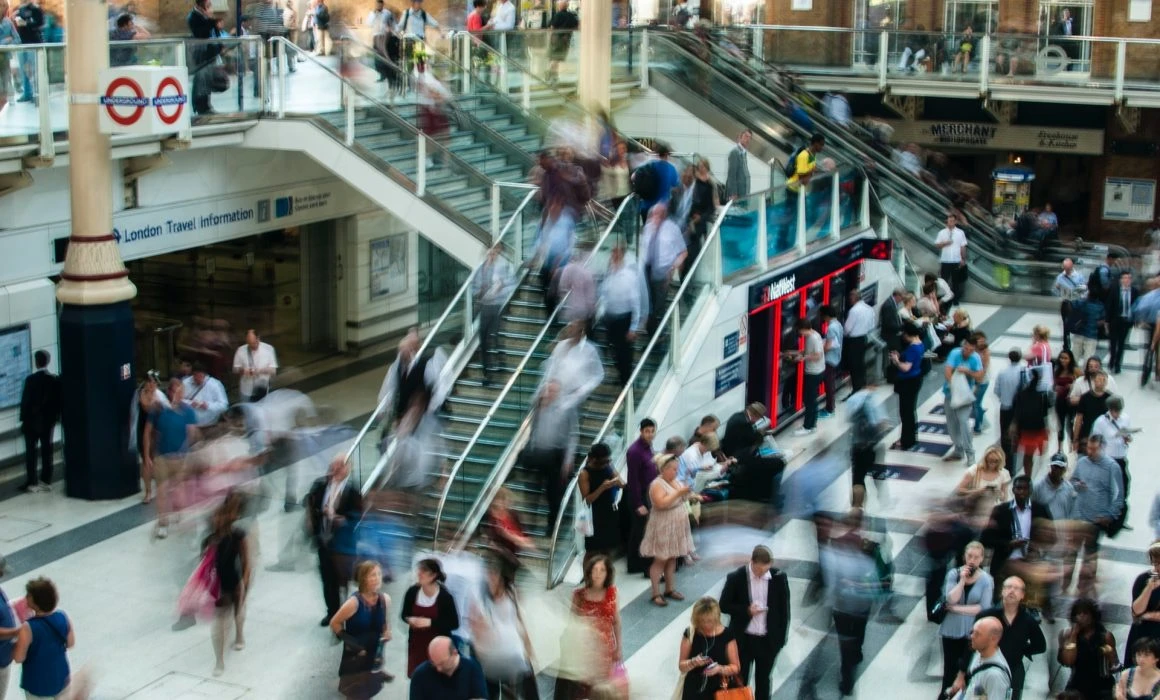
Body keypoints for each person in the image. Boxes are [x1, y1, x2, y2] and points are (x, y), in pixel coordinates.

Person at [719, 546, 789, 700]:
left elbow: (784, 612)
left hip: (767, 641)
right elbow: (723, 605)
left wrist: (780, 641)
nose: (762, 574)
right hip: (743, 640)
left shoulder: (779, 578)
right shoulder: (736, 578)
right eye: (758, 570)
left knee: (763, 681)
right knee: (739, 680)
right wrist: (746, 610)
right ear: (752, 562)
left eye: (765, 570)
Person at [306, 454, 364, 626]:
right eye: (334, 465)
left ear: (348, 468)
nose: (336, 469)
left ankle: (344, 614)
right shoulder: (320, 485)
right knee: (326, 579)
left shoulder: (353, 492)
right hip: (323, 541)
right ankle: (331, 612)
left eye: (341, 465)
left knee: (343, 581)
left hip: (343, 546)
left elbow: (357, 519)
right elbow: (310, 504)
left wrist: (339, 519)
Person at [555, 555, 623, 700]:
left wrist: (619, 647)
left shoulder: (612, 593)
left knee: (601, 691)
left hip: (604, 651)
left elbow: (616, 621)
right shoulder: (579, 595)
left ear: (608, 574)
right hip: (583, 651)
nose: (598, 574)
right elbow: (571, 623)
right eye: (595, 570)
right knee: (580, 690)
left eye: (602, 570)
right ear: (589, 573)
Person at [470, 556, 537, 699]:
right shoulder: (480, 598)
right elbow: (475, 627)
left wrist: (528, 649)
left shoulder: (512, 593)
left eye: (494, 575)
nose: (491, 579)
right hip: (490, 657)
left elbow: (522, 621)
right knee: (491, 692)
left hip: (513, 653)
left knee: (521, 691)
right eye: (488, 575)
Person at [144, 377, 199, 539]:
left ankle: (179, 513)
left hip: (181, 458)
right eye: (177, 391)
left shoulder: (188, 411)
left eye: (182, 391)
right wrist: (147, 456)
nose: (180, 394)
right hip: (162, 457)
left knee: (180, 492)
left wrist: (191, 453)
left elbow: (192, 434)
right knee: (161, 491)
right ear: (170, 392)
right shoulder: (158, 410)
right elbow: (147, 432)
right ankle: (162, 523)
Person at [938, 541, 994, 700]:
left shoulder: (986, 580)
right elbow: (951, 598)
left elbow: (982, 608)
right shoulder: (953, 574)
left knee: (967, 671)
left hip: (972, 632)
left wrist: (955, 609)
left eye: (976, 557)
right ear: (964, 556)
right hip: (951, 629)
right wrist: (962, 581)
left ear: (981, 559)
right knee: (949, 671)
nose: (972, 560)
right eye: (969, 556)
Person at [1071, 434, 1125, 597]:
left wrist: (1110, 515)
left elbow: (1119, 495)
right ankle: (1066, 581)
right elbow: (1072, 480)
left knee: (1089, 554)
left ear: (1102, 448)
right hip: (1078, 516)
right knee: (1071, 552)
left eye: (1093, 449)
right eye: (1088, 447)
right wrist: (1076, 484)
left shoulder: (1112, 467)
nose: (1089, 451)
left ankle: (1084, 587)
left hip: (1096, 520)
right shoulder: (1081, 463)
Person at [205, 491, 251, 677]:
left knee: (238, 612)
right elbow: (204, 566)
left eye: (219, 516)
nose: (217, 520)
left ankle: (240, 633)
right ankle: (219, 660)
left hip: (234, 580)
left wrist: (245, 582)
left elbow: (246, 562)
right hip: (218, 586)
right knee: (219, 622)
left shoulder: (238, 535)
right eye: (214, 518)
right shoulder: (209, 540)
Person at [640, 453, 695, 607]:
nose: (676, 472)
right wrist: (679, 493)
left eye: (677, 469)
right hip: (663, 524)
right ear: (663, 469)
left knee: (672, 557)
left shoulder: (675, 481)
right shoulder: (656, 484)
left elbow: (681, 496)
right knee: (661, 559)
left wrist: (690, 495)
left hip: (676, 523)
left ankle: (670, 589)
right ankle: (655, 592)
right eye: (673, 469)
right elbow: (660, 504)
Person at [331, 561, 392, 697]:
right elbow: (334, 623)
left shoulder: (385, 600)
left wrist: (387, 631)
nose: (377, 578)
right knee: (355, 695)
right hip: (355, 661)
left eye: (379, 574)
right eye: (372, 575)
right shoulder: (353, 603)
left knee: (369, 693)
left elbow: (385, 624)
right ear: (363, 579)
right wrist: (351, 643)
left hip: (374, 659)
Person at [981, 476, 1053, 587]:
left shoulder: (1040, 510)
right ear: (1013, 490)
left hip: (1032, 564)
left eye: (1025, 489)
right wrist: (1008, 543)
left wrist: (1036, 546)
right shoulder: (1001, 510)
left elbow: (1052, 536)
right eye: (1019, 488)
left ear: (1031, 490)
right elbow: (985, 539)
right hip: (1005, 564)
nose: (1022, 492)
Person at [13, 577, 73, 699]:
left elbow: (19, 657)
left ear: (35, 602)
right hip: (60, 676)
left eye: (28, 595)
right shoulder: (62, 616)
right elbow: (70, 643)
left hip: (37, 682)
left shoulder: (28, 627)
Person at [401, 559, 459, 678]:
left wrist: (430, 622)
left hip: (438, 649)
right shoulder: (412, 592)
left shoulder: (445, 597)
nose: (419, 573)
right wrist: (409, 620)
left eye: (424, 571)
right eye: (419, 570)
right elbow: (404, 614)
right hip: (416, 645)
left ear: (433, 575)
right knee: (417, 678)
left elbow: (454, 623)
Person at [599, 244, 646, 388]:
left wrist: (633, 327)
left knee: (624, 353)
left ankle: (627, 381)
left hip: (624, 319)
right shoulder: (610, 274)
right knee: (613, 350)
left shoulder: (629, 276)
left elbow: (635, 303)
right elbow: (604, 293)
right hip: (610, 318)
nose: (613, 257)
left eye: (616, 254)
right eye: (612, 254)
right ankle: (621, 376)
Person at [676, 597, 740, 700]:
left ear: (716, 618)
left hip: (720, 688)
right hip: (693, 689)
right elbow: (681, 666)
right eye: (702, 621)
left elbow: (735, 667)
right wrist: (693, 662)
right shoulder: (690, 633)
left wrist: (719, 668)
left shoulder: (727, 635)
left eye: (709, 621)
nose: (706, 624)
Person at [640, 203, 688, 337]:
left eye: (659, 214)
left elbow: (683, 252)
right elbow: (643, 248)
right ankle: (652, 333)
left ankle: (658, 335)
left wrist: (673, 268)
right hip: (647, 269)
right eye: (654, 214)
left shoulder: (672, 229)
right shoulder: (648, 228)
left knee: (658, 306)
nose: (655, 218)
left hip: (663, 272)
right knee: (648, 305)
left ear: (664, 215)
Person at [18, 349, 60, 494]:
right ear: (47, 362)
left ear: (36, 362)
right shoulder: (53, 380)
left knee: (31, 453)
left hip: (31, 423)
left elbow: (25, 403)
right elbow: (56, 402)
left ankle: (32, 481)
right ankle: (46, 480)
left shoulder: (30, 380)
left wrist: (23, 419)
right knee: (47, 450)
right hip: (48, 423)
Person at [1059, 598, 1118, 699]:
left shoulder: (1105, 636)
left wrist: (1109, 653)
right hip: (1077, 684)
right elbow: (1068, 661)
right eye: (1078, 614)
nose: (1081, 617)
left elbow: (1114, 664)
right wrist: (1074, 635)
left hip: (1102, 686)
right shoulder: (1067, 635)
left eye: (1085, 613)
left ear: (1093, 615)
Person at [473, 243, 513, 386]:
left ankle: (501, 360)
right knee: (484, 340)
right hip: (485, 307)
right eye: (490, 253)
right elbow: (474, 287)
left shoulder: (501, 267)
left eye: (494, 253)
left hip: (497, 307)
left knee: (494, 336)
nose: (491, 255)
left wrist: (500, 287)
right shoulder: (480, 269)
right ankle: (487, 374)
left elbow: (510, 283)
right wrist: (479, 292)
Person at [942, 337, 985, 466]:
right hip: (950, 393)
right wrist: (953, 386)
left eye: (970, 350)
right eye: (966, 348)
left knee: (964, 422)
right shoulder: (955, 353)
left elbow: (980, 376)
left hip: (965, 396)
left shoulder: (975, 358)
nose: (967, 352)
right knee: (951, 423)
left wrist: (967, 371)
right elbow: (948, 371)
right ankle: (958, 449)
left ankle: (969, 452)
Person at [624, 418, 657, 575]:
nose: (650, 434)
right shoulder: (635, 451)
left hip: (648, 494)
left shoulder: (648, 447)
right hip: (639, 496)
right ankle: (635, 564)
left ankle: (641, 563)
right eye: (647, 431)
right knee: (638, 532)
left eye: (652, 431)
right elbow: (633, 479)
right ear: (641, 431)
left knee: (644, 531)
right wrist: (638, 503)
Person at [579, 443, 622, 558]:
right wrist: (602, 488)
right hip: (593, 515)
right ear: (594, 459)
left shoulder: (608, 467)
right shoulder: (585, 473)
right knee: (591, 551)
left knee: (607, 549)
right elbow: (587, 500)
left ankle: (605, 573)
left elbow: (622, 483)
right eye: (604, 461)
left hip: (608, 512)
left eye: (608, 460)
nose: (606, 463)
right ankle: (588, 575)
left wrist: (614, 476)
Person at [408, 636, 487, 700]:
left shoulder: (472, 666)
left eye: (442, 663)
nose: (438, 668)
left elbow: (481, 697)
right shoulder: (420, 675)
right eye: (433, 663)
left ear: (454, 653)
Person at [953, 617, 1013, 700]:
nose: (972, 636)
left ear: (993, 639)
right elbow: (979, 690)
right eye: (972, 632)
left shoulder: (995, 676)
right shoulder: (978, 654)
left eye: (977, 634)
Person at [956, 446, 1012, 529]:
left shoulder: (1004, 474)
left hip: (992, 511)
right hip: (974, 509)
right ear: (985, 459)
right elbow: (959, 490)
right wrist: (977, 492)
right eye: (989, 460)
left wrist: (998, 493)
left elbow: (1004, 498)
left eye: (995, 461)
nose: (992, 463)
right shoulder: (975, 470)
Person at [889, 323, 926, 450]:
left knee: (906, 412)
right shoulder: (920, 344)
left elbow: (906, 367)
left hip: (908, 382)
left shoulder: (913, 349)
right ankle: (909, 437)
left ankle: (907, 440)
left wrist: (896, 361)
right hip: (915, 380)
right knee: (910, 411)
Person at [1010, 367, 1051, 477]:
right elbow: (1046, 413)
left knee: (1029, 456)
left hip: (1028, 429)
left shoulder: (1021, 394)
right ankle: (1032, 477)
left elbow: (1017, 413)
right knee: (1038, 455)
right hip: (1035, 429)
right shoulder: (1042, 394)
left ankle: (1029, 477)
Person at [1124, 543, 1160, 666]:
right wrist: (1149, 588)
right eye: (1155, 563)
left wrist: (1149, 616)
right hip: (1142, 632)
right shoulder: (1143, 579)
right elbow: (1137, 611)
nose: (1157, 568)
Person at [789, 318, 825, 437]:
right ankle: (812, 425)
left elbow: (817, 355)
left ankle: (807, 427)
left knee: (809, 401)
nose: (799, 334)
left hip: (813, 373)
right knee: (812, 401)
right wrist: (795, 353)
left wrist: (803, 358)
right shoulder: (814, 335)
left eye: (799, 331)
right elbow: (808, 351)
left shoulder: (813, 338)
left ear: (803, 329)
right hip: (817, 371)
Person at [994, 348, 1027, 472]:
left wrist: (1004, 397)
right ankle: (1015, 457)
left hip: (1005, 407)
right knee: (1017, 434)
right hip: (1020, 409)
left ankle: (1008, 465)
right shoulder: (1024, 371)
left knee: (1005, 436)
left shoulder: (1002, 372)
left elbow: (996, 390)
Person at [843, 289, 876, 396]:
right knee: (861, 363)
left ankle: (856, 388)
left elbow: (847, 329)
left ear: (855, 297)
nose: (849, 300)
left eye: (851, 298)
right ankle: (862, 384)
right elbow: (872, 325)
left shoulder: (854, 311)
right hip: (864, 338)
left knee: (854, 365)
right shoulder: (869, 309)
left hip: (853, 341)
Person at [232, 329, 278, 402]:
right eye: (250, 343)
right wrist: (244, 371)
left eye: (254, 343)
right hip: (246, 389)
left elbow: (274, 370)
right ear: (246, 341)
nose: (252, 346)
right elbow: (235, 369)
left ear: (258, 338)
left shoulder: (268, 349)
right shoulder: (241, 350)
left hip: (262, 388)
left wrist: (260, 371)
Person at [1108, 271, 1139, 375]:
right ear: (1121, 280)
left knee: (1121, 344)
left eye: (1129, 278)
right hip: (1115, 320)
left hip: (1126, 321)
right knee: (1113, 343)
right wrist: (1107, 321)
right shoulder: (1114, 290)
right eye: (1125, 278)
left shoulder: (1134, 291)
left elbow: (1136, 306)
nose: (1127, 280)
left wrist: (1135, 320)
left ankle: (1118, 364)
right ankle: (1112, 361)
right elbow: (1109, 305)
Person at [1073, 370, 1112, 449]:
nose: (1102, 382)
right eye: (1099, 379)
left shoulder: (1110, 398)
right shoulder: (1085, 397)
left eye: (1104, 380)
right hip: (1086, 434)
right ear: (1094, 380)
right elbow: (1079, 419)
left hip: (1103, 436)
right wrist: (1075, 439)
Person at [935, 213, 968, 307]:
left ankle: (955, 300)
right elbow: (937, 245)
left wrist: (963, 258)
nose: (951, 222)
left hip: (956, 260)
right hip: (945, 260)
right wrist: (945, 243)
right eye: (949, 221)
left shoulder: (960, 232)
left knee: (955, 281)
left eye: (953, 221)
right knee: (943, 281)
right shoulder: (942, 232)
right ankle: (944, 299)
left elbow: (963, 246)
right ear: (947, 221)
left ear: (956, 222)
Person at [182, 362, 229, 427]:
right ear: (193, 375)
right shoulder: (185, 383)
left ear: (205, 374)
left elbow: (224, 405)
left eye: (200, 376)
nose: (198, 379)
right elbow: (178, 400)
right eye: (196, 376)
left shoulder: (215, 384)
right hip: (190, 424)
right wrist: (190, 403)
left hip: (210, 424)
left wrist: (208, 406)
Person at [1068, 289, 1107, 363]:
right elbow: (1102, 321)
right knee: (1088, 358)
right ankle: (1086, 373)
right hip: (1091, 335)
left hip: (1079, 333)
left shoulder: (1080, 302)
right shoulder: (1100, 306)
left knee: (1075, 356)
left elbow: (1069, 304)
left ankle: (1073, 372)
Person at [786, 134, 825, 207]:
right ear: (815, 143)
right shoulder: (804, 155)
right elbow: (801, 175)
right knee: (790, 214)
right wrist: (813, 171)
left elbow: (810, 168)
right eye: (821, 145)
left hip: (800, 189)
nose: (822, 147)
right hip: (793, 188)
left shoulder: (812, 155)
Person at [1054, 349, 1081, 453]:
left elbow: (1082, 382)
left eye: (1066, 358)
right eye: (1061, 358)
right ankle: (1059, 448)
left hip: (1070, 402)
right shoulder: (1058, 370)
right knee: (1060, 425)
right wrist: (1056, 388)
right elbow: (1054, 384)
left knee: (1070, 424)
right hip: (1060, 401)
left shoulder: (1075, 370)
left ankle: (1072, 446)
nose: (1063, 360)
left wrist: (1073, 385)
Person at [1056, 258, 1083, 349]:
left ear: (1071, 267)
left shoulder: (1078, 276)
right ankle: (1066, 344)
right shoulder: (1060, 276)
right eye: (1065, 268)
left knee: (1078, 323)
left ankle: (1079, 344)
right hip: (1066, 302)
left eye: (1068, 268)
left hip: (1076, 302)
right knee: (1065, 324)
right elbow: (1057, 289)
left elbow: (1084, 288)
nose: (1066, 270)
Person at [725, 130, 751, 202]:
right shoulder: (734, 152)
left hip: (743, 193)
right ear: (740, 137)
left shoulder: (743, 152)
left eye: (749, 137)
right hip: (736, 195)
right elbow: (731, 175)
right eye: (746, 136)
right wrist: (733, 193)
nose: (748, 139)